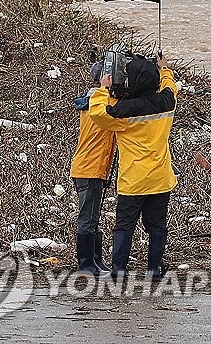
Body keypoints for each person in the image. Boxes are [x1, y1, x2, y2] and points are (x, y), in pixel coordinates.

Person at [87, 53, 177, 281]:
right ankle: (154, 270)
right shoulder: (167, 102)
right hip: (160, 178)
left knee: (124, 225)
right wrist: (164, 68)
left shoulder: (122, 112)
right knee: (157, 225)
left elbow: (98, 114)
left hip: (133, 181)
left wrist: (102, 89)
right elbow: (170, 86)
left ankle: (119, 270)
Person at [70, 62, 117, 277]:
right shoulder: (99, 103)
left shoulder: (93, 100)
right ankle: (86, 264)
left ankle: (95, 260)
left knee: (92, 216)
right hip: (89, 169)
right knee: (87, 218)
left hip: (92, 168)